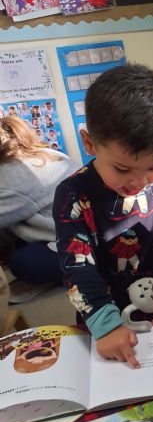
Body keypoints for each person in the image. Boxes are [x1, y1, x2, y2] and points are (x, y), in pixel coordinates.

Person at [52, 63, 153, 369]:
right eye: (122, 169)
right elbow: (77, 267)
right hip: (104, 318)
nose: (138, 182)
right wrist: (106, 325)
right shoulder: (72, 195)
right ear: (89, 143)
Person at [0, 116, 80, 292]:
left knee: (22, 263)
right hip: (95, 227)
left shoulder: (10, 177)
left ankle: (83, 272)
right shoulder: (48, 153)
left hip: (83, 243)